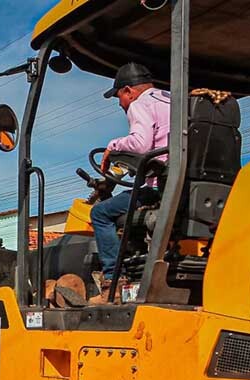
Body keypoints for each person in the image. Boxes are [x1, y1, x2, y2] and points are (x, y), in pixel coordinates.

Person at [90, 62, 171, 303]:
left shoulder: (141, 103)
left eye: (119, 97)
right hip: (184, 185)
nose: (120, 103)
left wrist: (112, 147)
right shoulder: (174, 101)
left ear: (129, 91)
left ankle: (112, 283)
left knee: (100, 214)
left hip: (158, 188)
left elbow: (141, 144)